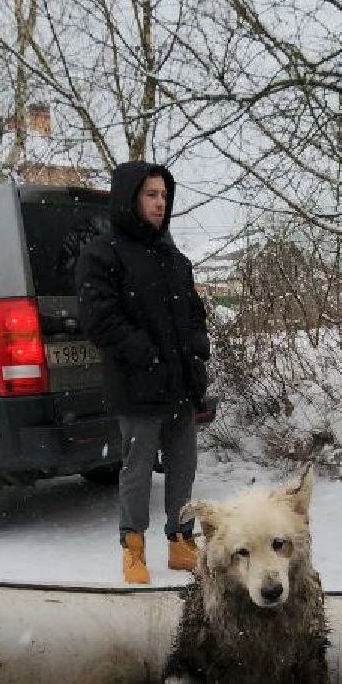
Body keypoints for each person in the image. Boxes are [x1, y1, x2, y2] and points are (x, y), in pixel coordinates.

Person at [76, 161, 211, 584]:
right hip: (138, 385)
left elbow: (193, 313)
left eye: (164, 196)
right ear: (131, 197)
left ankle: (181, 542)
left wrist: (198, 349)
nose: (160, 203)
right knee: (136, 471)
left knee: (184, 466)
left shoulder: (174, 257)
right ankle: (132, 548)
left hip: (181, 385)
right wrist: (145, 354)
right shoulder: (103, 253)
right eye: (151, 195)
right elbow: (100, 319)